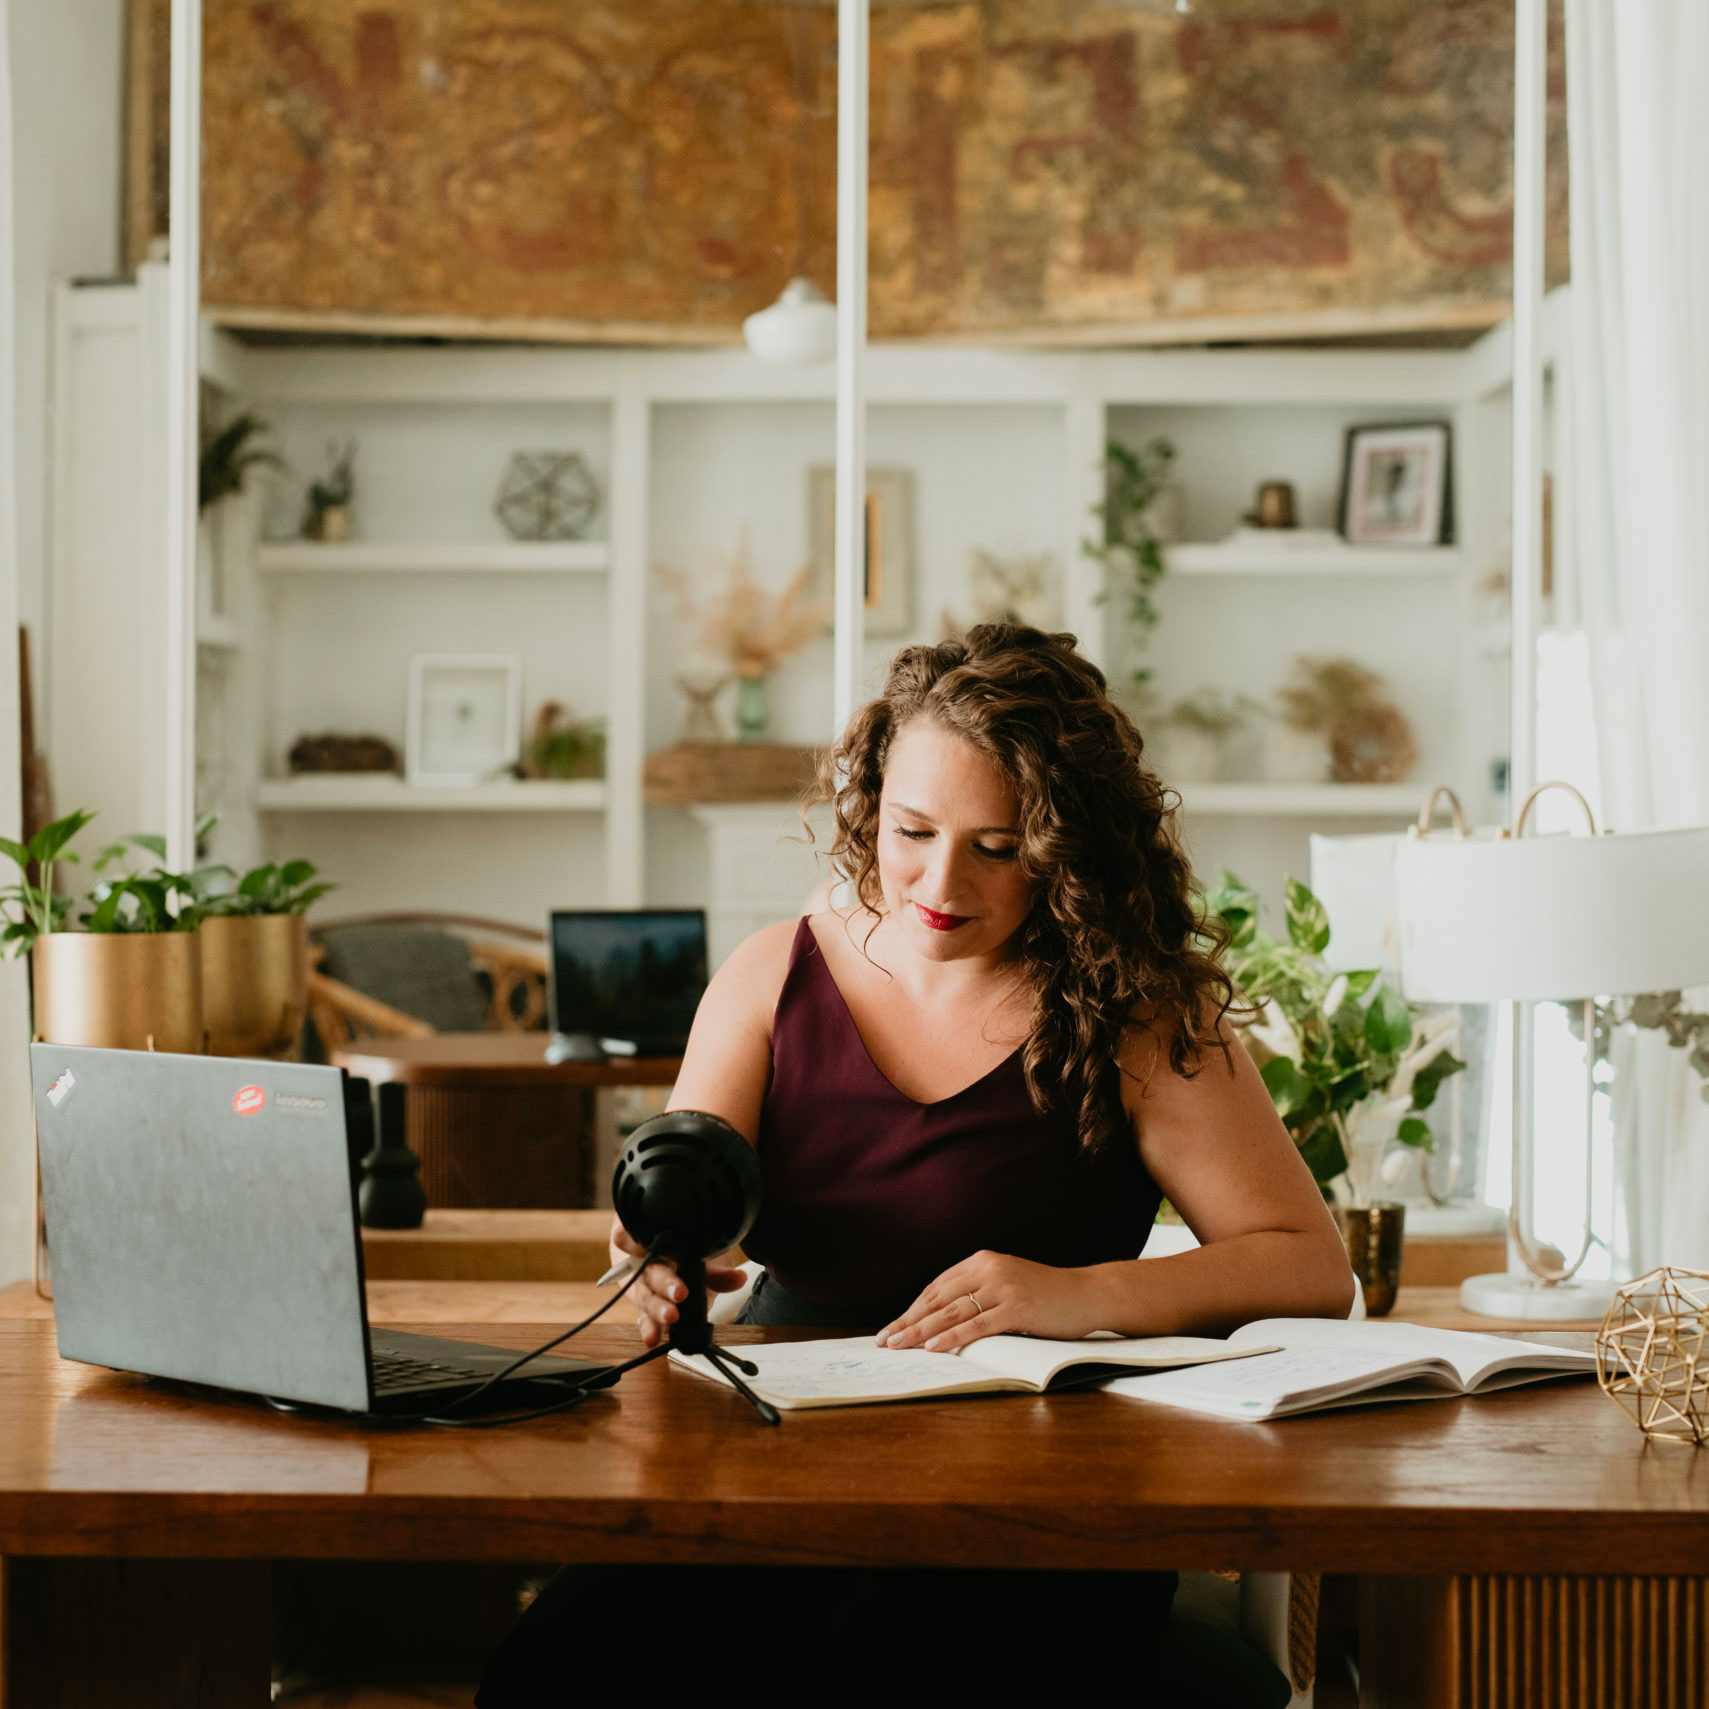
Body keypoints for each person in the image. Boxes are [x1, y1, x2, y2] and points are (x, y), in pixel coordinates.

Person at [477, 625, 1353, 1707]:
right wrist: (656, 1256)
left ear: (1066, 847)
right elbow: (681, 1192)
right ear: (870, 800)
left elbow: (1309, 1263)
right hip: (773, 1459)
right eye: (911, 829)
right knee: (550, 1678)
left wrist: (1073, 1295)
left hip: (1040, 1483)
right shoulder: (771, 975)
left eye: (996, 846)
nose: (939, 881)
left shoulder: (1133, 1012)